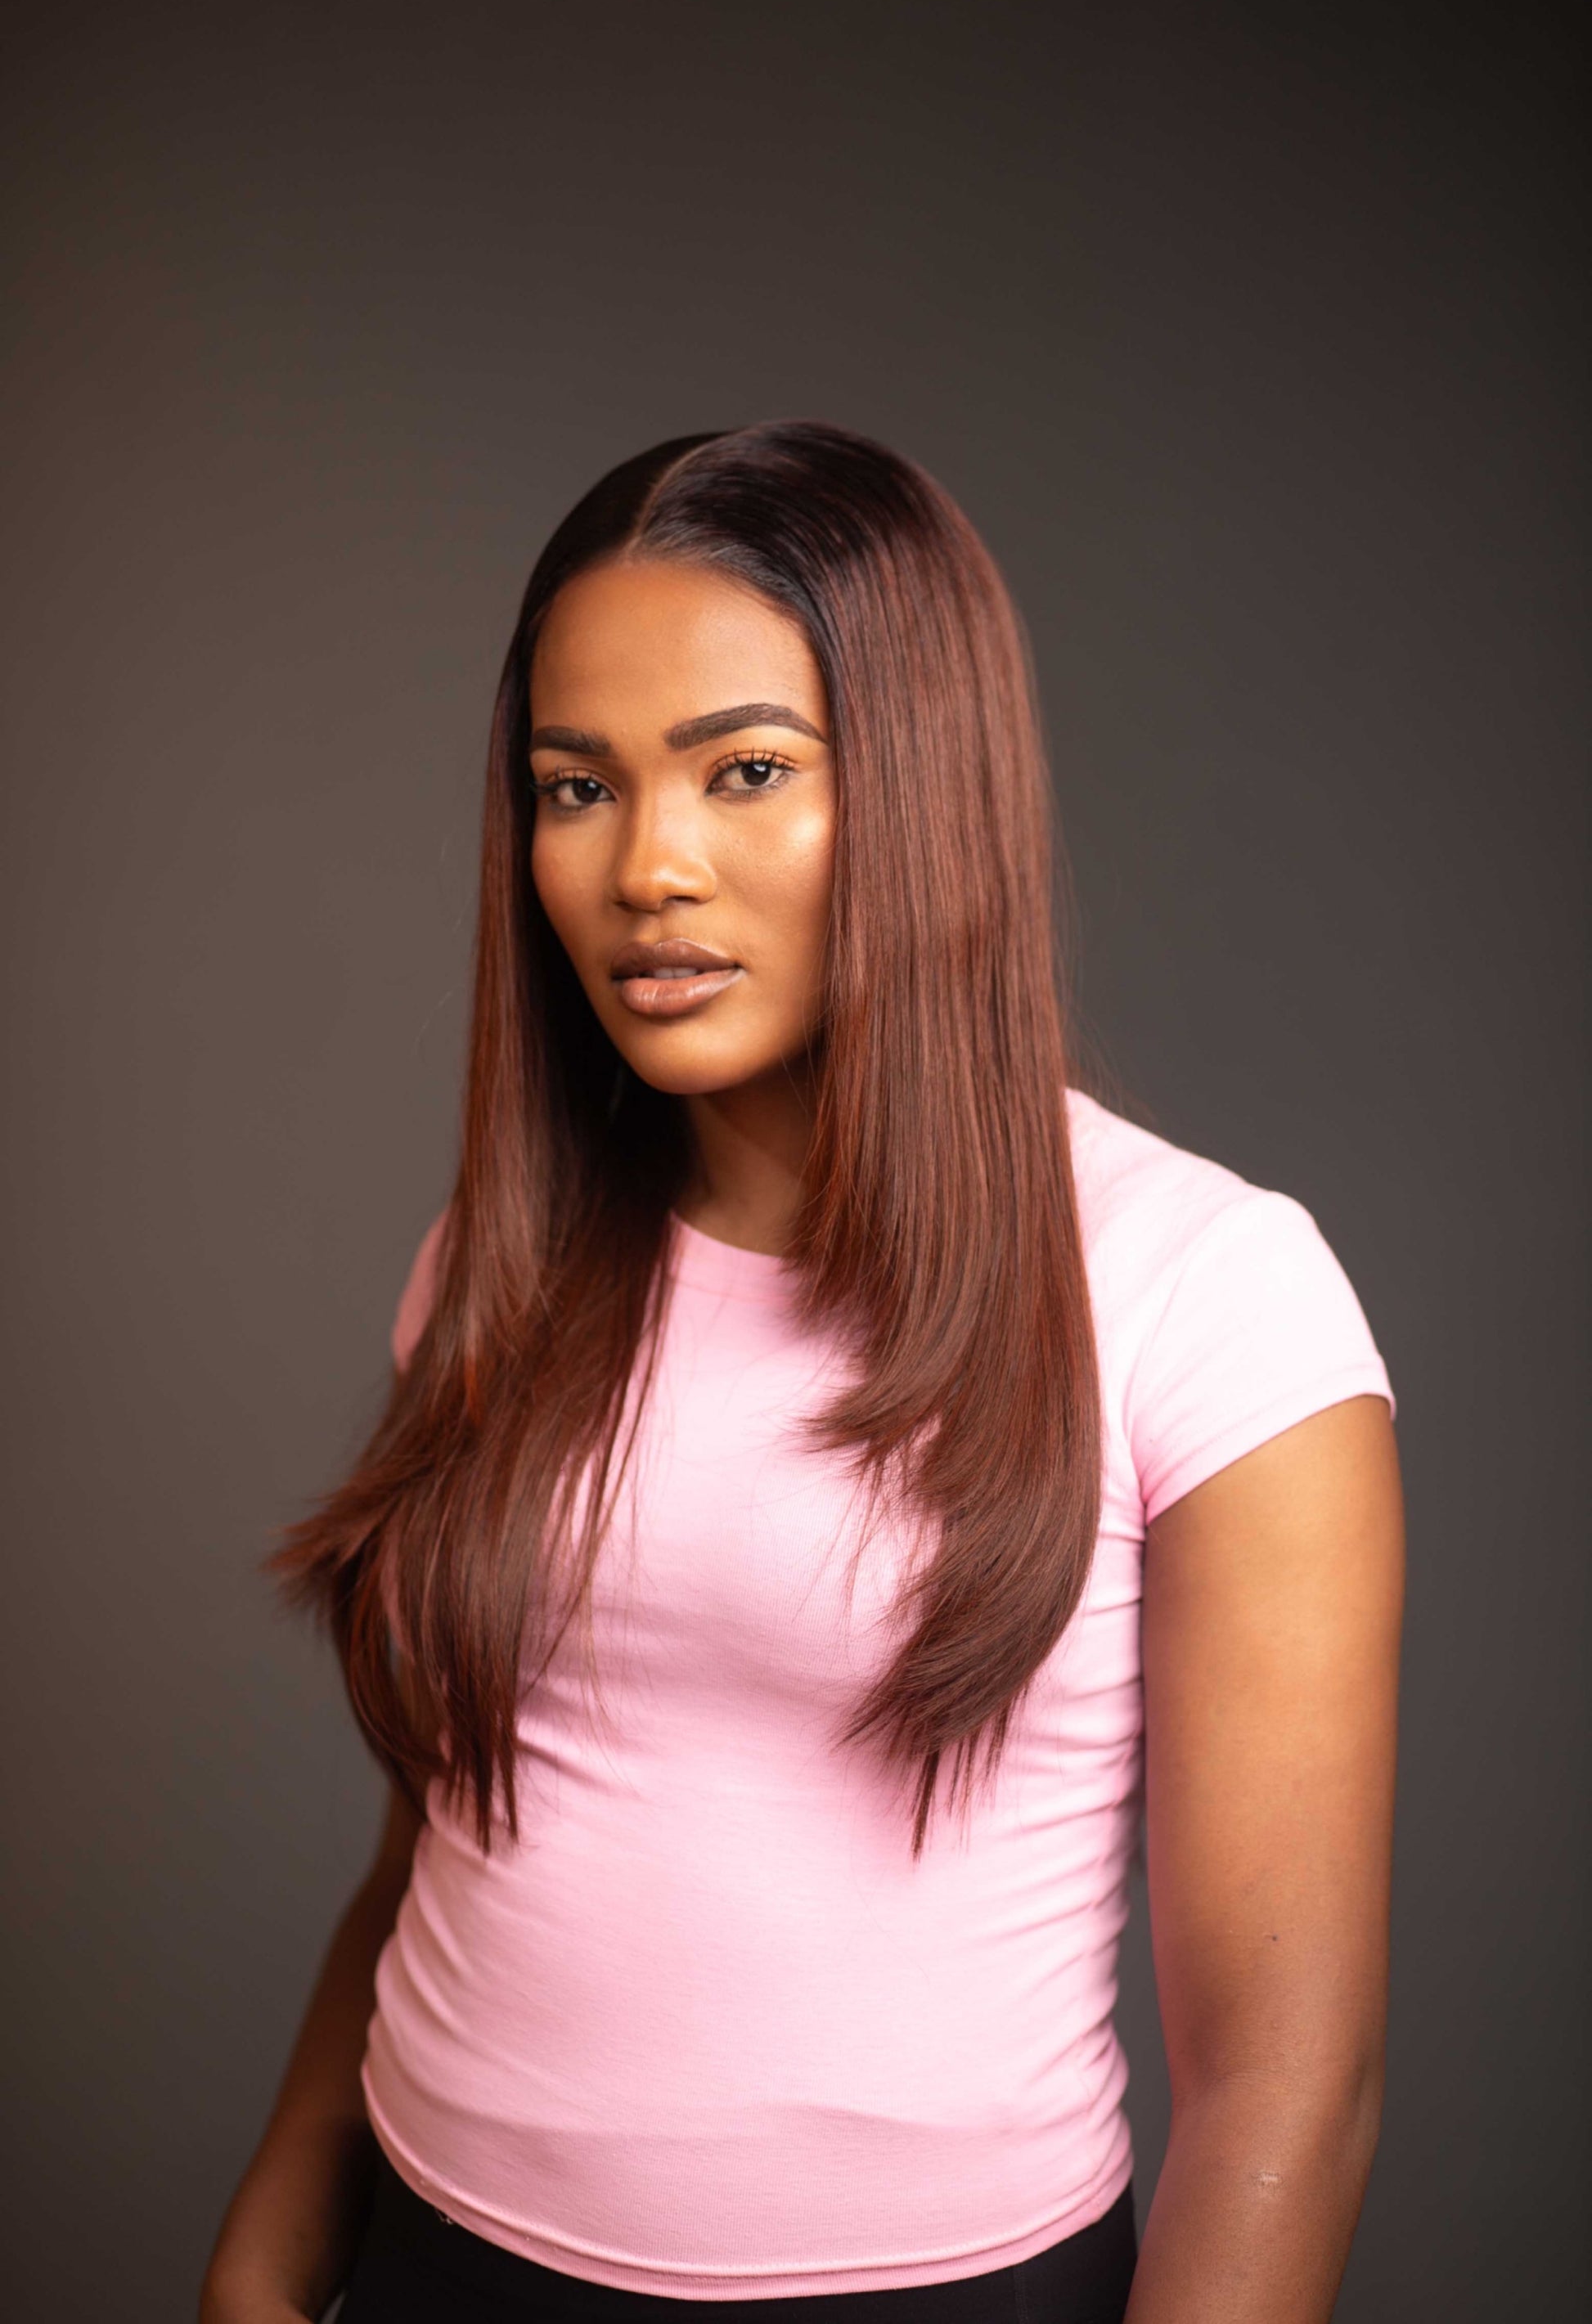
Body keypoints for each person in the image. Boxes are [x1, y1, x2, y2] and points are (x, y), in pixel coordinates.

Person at [198, 422, 1404, 2324]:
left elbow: (1285, 2085)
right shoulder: (502, 1267)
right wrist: (269, 2249)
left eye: (743, 769)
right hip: (435, 2258)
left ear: (924, 785)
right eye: (575, 785)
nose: (647, 865)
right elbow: (451, 1823)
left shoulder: (1209, 1295)